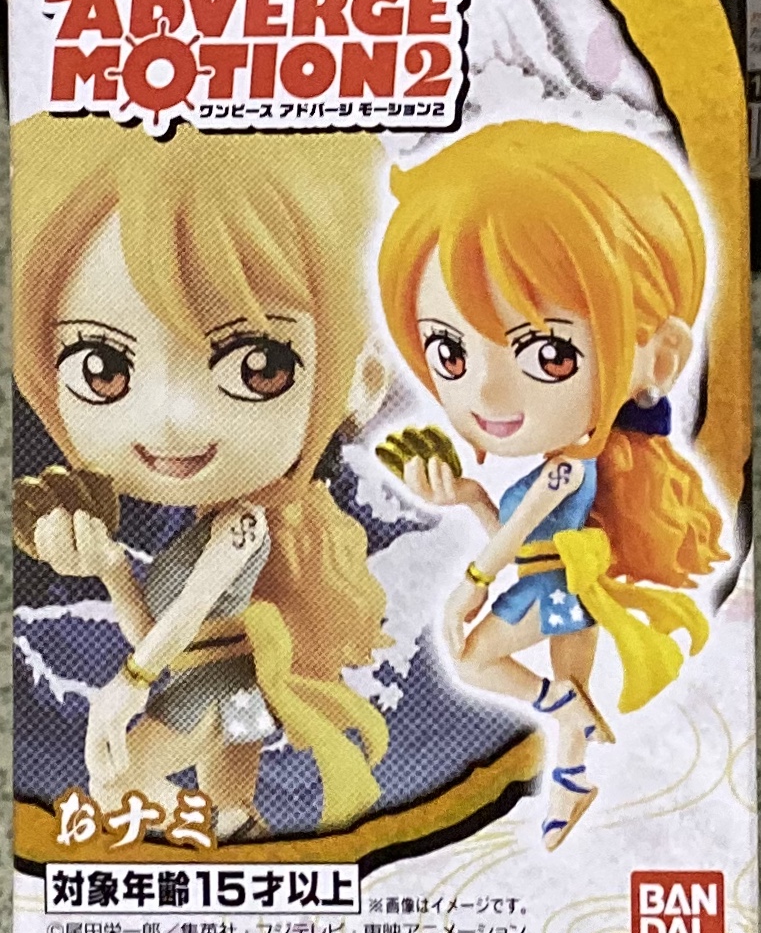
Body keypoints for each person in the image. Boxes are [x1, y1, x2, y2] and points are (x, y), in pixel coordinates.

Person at [13, 113, 393, 840]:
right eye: (103, 367)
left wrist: (125, 687)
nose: (173, 420)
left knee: (116, 782)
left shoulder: (242, 526)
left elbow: (186, 620)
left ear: (356, 379)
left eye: (259, 366)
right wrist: (113, 570)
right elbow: (163, 625)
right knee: (231, 820)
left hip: (215, 691)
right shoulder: (208, 522)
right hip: (217, 686)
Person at [376, 121, 728, 849]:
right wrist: (467, 498)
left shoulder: (567, 469)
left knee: (472, 658)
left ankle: (563, 712)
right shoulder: (562, 468)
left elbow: (518, 536)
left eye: (549, 353)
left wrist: (469, 586)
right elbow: (522, 530)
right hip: (559, 586)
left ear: (659, 358)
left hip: (555, 591)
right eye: (448, 350)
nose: (484, 389)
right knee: (570, 701)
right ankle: (569, 779)